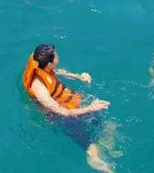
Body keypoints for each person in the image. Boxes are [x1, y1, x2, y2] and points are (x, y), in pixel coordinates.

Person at [22, 44, 113, 173]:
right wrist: (90, 107)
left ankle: (106, 144)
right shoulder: (39, 89)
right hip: (61, 116)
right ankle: (99, 164)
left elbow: (56, 72)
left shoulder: (40, 61)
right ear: (49, 65)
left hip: (68, 103)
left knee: (107, 126)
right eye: (56, 56)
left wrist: (78, 76)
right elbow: (64, 112)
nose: (58, 56)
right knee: (91, 146)